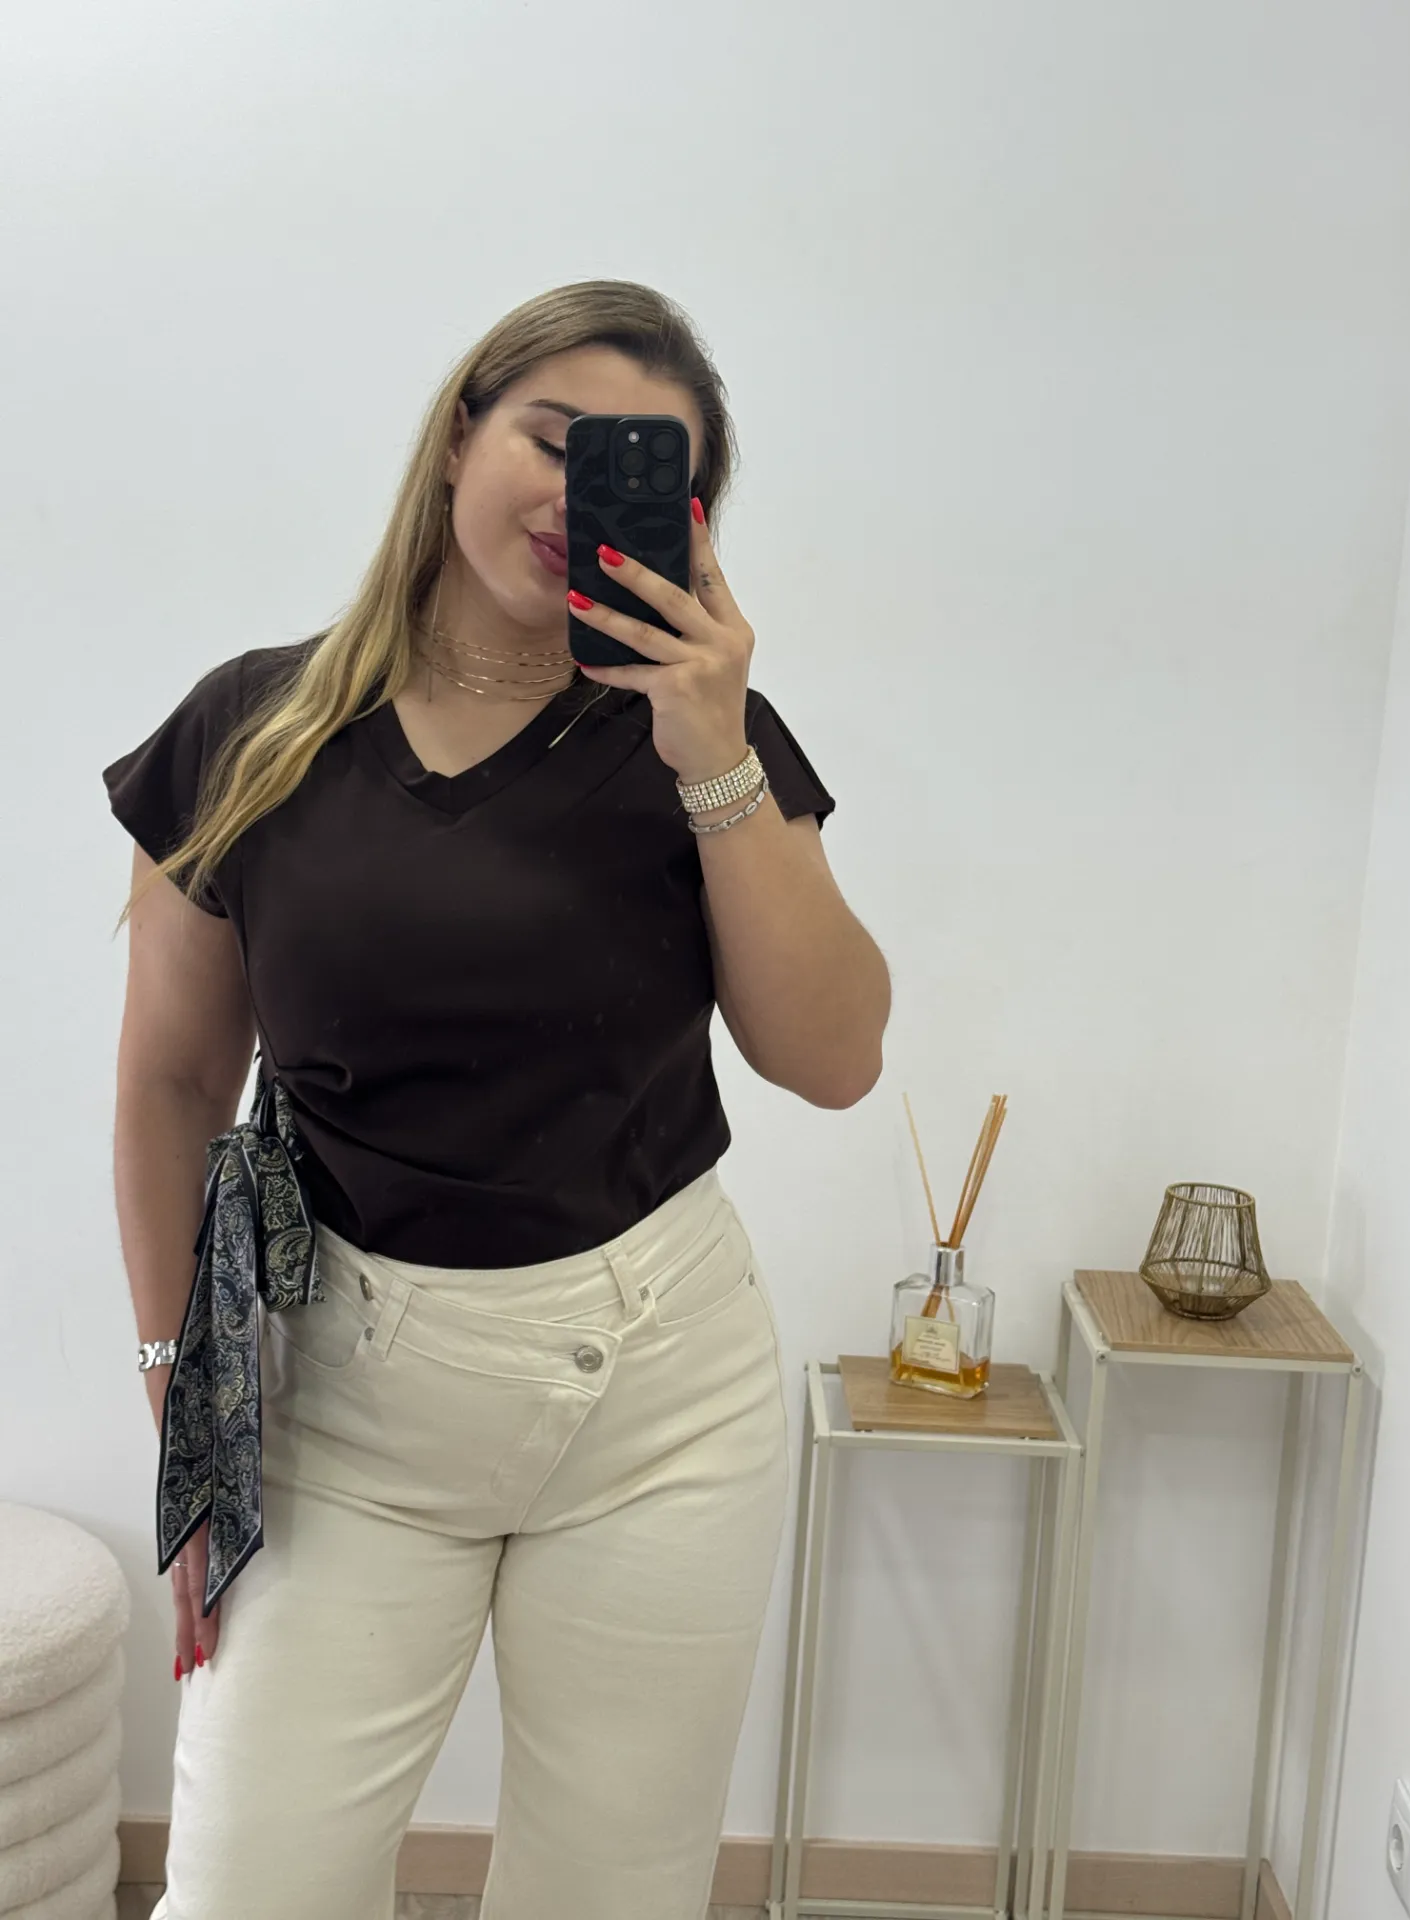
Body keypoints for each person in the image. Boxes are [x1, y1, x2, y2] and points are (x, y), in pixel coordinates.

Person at [103, 278, 891, 1920]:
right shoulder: (255, 728)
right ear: (460, 433)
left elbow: (834, 1060)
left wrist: (713, 750)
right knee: (247, 1888)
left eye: (644, 472)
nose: (575, 491)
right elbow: (172, 1082)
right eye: (555, 435)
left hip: (662, 1409)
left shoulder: (704, 744)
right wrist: (188, 1403)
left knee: (613, 1891)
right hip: (341, 1409)